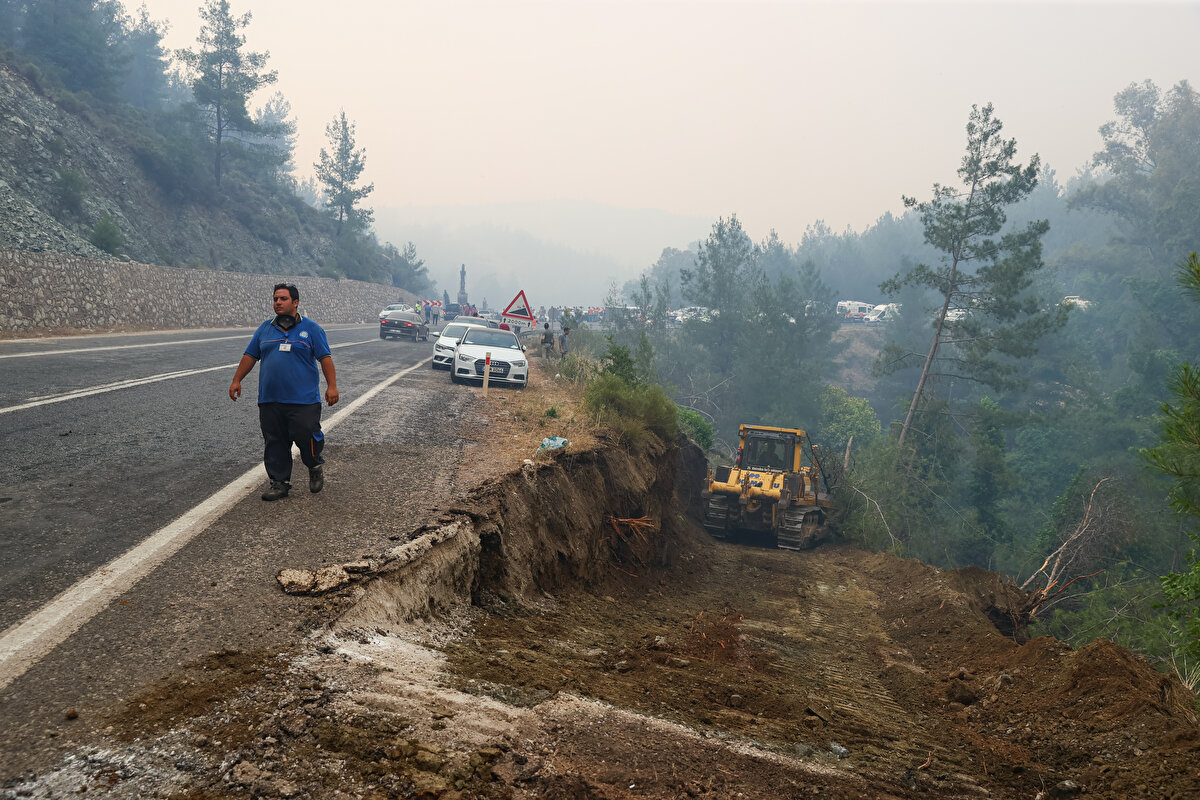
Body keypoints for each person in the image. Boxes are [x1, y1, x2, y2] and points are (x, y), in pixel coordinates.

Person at [228, 283, 339, 501]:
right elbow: (250, 355)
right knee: (275, 441)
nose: (277, 302)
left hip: (304, 400)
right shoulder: (265, 329)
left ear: (295, 303)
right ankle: (279, 483)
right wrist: (236, 380)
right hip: (270, 399)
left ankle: (314, 464)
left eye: (283, 299)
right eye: (275, 299)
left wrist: (332, 386)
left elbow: (325, 358)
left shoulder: (312, 329)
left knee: (307, 435)